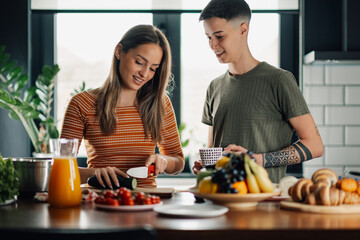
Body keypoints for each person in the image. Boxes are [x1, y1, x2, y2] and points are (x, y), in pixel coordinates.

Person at [192, 0, 323, 183]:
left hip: (265, 202)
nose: (212, 45)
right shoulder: (214, 87)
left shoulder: (279, 80)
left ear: (243, 30)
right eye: (208, 37)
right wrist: (206, 168)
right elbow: (213, 150)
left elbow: (315, 145)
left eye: (219, 36)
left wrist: (256, 159)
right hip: (220, 199)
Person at [60, 25, 184, 188]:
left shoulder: (160, 104)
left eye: (153, 69)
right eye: (139, 62)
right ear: (119, 51)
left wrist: (164, 160)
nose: (145, 74)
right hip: (100, 202)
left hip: (145, 202)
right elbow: (61, 169)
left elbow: (178, 161)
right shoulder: (82, 104)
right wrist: (95, 173)